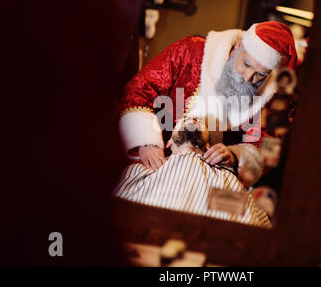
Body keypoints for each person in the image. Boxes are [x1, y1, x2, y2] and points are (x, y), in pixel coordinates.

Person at [119, 21, 297, 186]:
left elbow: (266, 146)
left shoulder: (269, 94)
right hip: (148, 163)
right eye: (247, 63)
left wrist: (235, 156)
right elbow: (139, 89)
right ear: (239, 44)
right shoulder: (191, 50)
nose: (248, 78)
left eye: (261, 75)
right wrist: (146, 142)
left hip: (202, 180)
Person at [113, 118, 271, 228]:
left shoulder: (226, 178)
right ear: (168, 143)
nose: (194, 118)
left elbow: (252, 226)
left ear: (208, 147)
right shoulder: (141, 172)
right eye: (184, 119)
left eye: (200, 123)